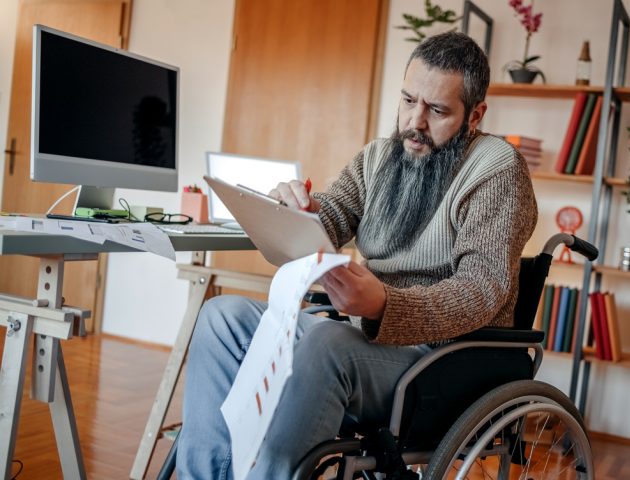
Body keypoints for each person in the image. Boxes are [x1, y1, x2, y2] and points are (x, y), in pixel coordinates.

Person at [177, 31, 537, 479]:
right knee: (220, 317)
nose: (415, 122)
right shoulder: (379, 158)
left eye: (437, 110)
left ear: (475, 116)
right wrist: (295, 212)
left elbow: (482, 290)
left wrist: (386, 305)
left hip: (439, 360)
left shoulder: (497, 170)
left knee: (328, 343)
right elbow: (333, 213)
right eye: (408, 100)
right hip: (363, 338)